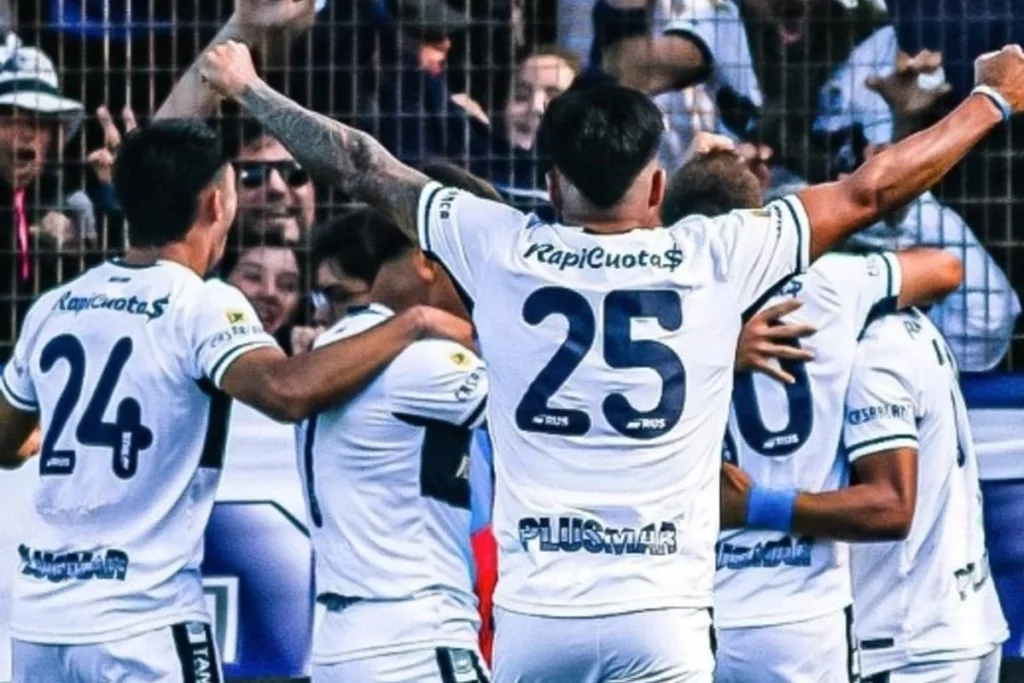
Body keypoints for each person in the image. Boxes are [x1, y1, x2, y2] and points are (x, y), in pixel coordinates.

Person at [198, 39, 1024, 683]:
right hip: (662, 611)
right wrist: (991, 99)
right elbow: (872, 191)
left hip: (535, 615)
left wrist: (249, 87)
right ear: (657, 189)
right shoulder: (718, 254)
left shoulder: (498, 246)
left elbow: (361, 165)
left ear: (550, 184)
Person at [0, 118, 472, 683]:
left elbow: (5, 445)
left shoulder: (55, 306)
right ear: (216, 203)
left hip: (40, 624)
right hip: (142, 624)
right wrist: (413, 322)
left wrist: (43, 439)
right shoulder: (200, 304)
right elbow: (285, 391)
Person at [662, 146, 963, 683]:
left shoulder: (646, 310)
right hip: (801, 614)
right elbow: (945, 268)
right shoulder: (833, 286)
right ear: (759, 221)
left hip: (685, 607)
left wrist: (712, 350)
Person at [723, 308, 1009, 682]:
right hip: (957, 623)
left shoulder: (871, 353)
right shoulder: (912, 325)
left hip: (909, 644)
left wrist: (752, 505)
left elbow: (889, 507)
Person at [298, 207, 489, 682]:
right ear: (429, 261)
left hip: (340, 643)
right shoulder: (424, 358)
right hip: (416, 639)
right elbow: (550, 402)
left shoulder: (332, 350)